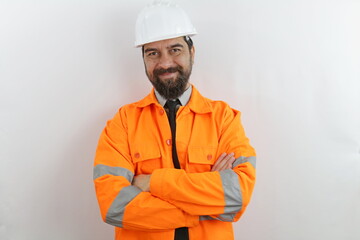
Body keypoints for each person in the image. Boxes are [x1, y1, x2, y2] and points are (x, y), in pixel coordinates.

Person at [93, 1, 256, 240]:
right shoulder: (123, 124)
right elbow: (115, 207)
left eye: (175, 49)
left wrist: (152, 182)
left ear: (192, 51)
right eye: (153, 53)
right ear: (143, 59)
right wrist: (204, 207)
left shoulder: (224, 119)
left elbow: (236, 196)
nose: (165, 62)